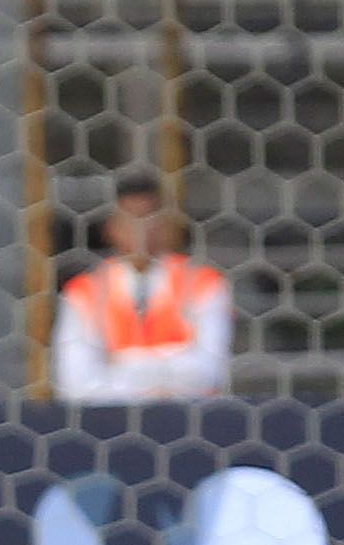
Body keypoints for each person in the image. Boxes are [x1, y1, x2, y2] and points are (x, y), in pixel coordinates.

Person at [52, 173, 230, 403]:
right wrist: (173, 358)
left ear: (168, 224)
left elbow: (209, 371)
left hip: (189, 419)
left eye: (150, 218)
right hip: (112, 425)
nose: (141, 229)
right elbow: (75, 384)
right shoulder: (85, 292)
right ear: (111, 227)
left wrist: (123, 364)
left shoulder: (202, 282)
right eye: (131, 219)